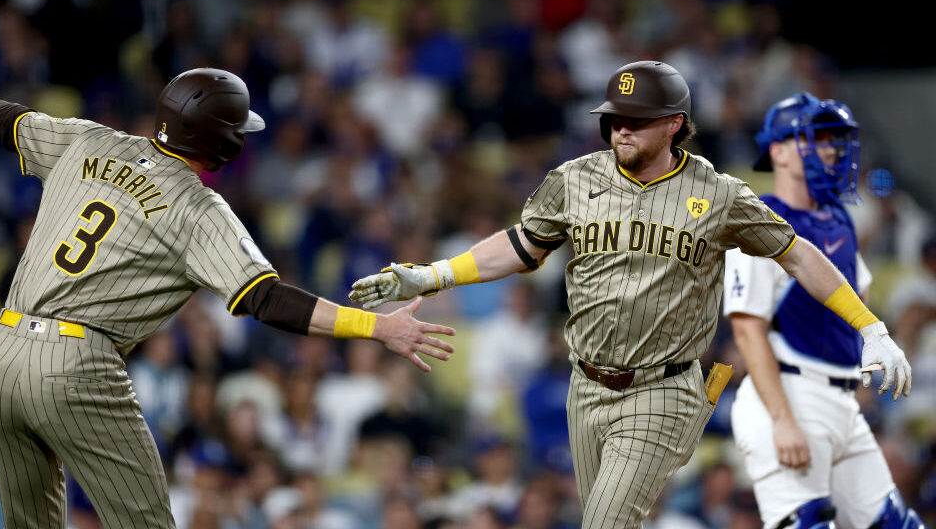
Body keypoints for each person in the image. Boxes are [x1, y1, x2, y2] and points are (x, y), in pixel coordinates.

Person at [348, 61, 913, 528]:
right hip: (586, 386)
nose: (621, 129)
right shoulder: (575, 178)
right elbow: (522, 245)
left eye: (636, 121)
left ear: (674, 124)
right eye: (615, 119)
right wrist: (433, 275)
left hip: (663, 390)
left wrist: (871, 327)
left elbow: (799, 254)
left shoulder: (718, 195)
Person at [0, 67, 456, 529]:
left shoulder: (89, 141)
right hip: (74, 365)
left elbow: (4, 118)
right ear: (223, 143)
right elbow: (267, 300)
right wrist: (377, 327)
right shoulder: (199, 207)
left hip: (0, 354)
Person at [724, 93, 925, 529]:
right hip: (789, 394)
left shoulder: (838, 216)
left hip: (839, 399)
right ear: (777, 150)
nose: (830, 149)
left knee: (897, 525)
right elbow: (747, 330)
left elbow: (857, 293)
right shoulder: (761, 222)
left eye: (834, 140)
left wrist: (861, 362)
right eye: (815, 139)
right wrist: (782, 420)